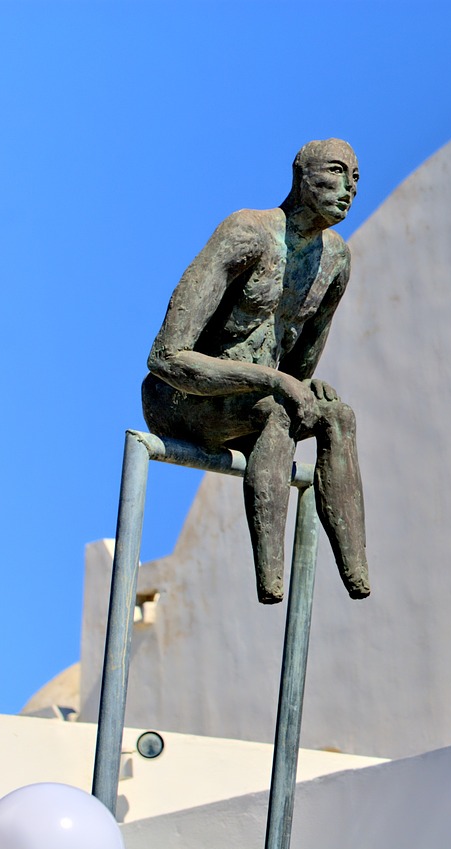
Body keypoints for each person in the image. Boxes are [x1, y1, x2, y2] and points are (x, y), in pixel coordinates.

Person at [142, 139, 368, 605]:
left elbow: (297, 368)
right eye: (337, 171)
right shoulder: (248, 232)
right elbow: (166, 357)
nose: (349, 188)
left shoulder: (336, 262)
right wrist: (272, 381)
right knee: (275, 412)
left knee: (338, 416)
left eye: (356, 179)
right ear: (301, 176)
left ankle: (356, 571)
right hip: (180, 401)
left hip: (250, 403)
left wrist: (304, 387)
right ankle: (271, 577)